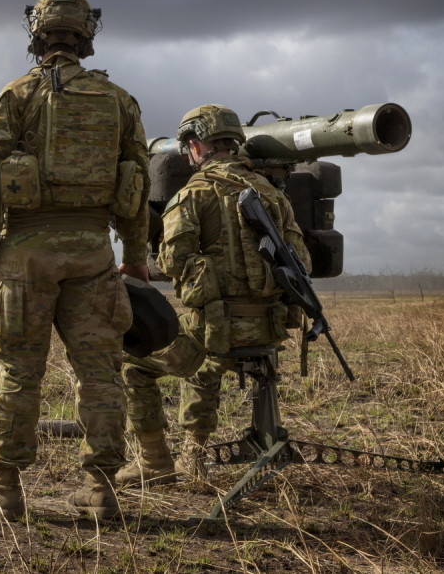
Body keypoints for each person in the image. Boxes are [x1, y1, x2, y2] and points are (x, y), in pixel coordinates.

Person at [0, 0, 150, 519]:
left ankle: (3, 488)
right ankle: (102, 490)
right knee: (101, 373)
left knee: (20, 373)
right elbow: (136, 182)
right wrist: (134, 255)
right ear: (85, 35)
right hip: (94, 252)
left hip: (25, 254)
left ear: (37, 34)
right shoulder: (119, 100)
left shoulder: (16, 95)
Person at [116, 104, 311, 487]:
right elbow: (300, 259)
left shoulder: (193, 194)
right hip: (267, 329)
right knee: (204, 362)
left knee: (135, 365)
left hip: (216, 330)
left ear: (197, 145)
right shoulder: (273, 194)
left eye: (188, 146)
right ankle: (194, 454)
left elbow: (172, 260)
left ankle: (157, 461)